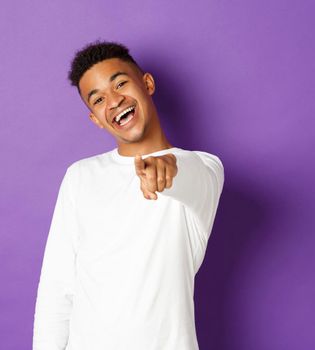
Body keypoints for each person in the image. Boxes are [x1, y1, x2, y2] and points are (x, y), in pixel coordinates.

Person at [32, 40, 225, 350]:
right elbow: (57, 289)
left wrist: (166, 167)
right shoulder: (80, 177)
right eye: (98, 99)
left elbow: (190, 175)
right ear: (95, 118)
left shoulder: (205, 169)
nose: (114, 101)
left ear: (146, 83)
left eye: (120, 83)